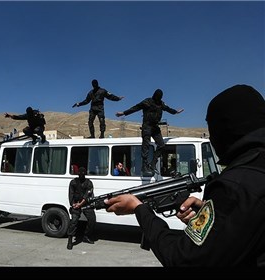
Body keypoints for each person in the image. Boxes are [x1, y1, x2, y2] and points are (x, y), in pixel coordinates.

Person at [106, 84, 265, 266]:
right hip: (148, 128)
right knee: (147, 146)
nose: (212, 139)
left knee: (161, 147)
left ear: (226, 128)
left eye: (213, 128)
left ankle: (152, 161)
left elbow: (182, 259)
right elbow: (241, 224)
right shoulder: (252, 172)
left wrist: (139, 208)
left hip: (154, 130)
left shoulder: (235, 185)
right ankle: (148, 161)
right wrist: (210, 210)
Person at [116, 89, 183, 176]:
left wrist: (176, 112)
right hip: (147, 126)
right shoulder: (147, 101)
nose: (158, 99)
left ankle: (152, 163)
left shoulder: (161, 103)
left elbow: (168, 109)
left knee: (162, 145)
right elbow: (136, 107)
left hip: (155, 127)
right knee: (146, 145)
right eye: (157, 97)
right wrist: (123, 113)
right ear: (155, 96)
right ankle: (144, 166)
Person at [67, 167, 96, 250]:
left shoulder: (89, 183)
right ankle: (70, 240)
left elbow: (87, 196)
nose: (81, 175)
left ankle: (86, 236)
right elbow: (71, 195)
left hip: (85, 204)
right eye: (80, 174)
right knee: (73, 221)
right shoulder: (73, 182)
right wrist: (73, 204)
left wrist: (80, 204)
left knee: (92, 220)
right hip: (76, 204)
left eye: (83, 174)